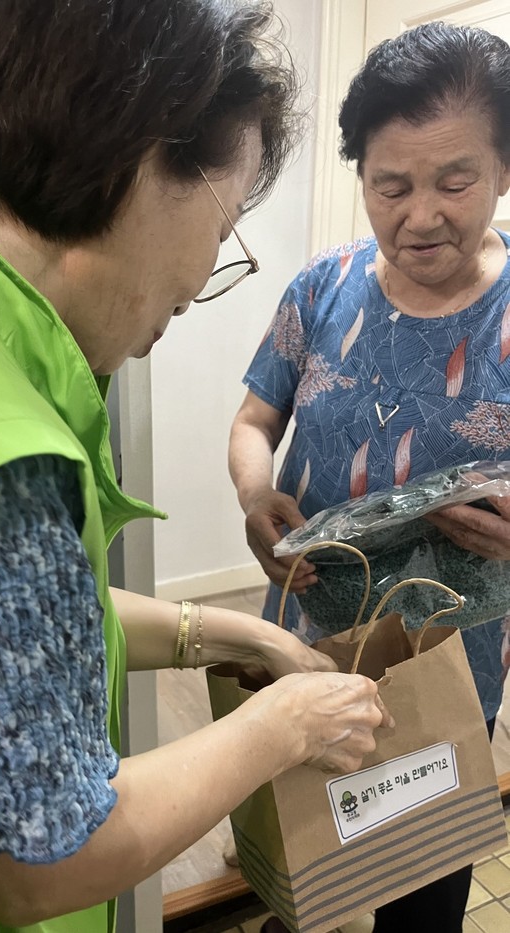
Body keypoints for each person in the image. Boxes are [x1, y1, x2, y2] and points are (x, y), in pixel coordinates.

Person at [0, 2, 393, 932]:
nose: (203, 278)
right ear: (136, 161)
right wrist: (287, 725)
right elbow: (39, 863)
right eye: (225, 225)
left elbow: (0, 623)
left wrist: (235, 636)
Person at [230, 20, 510, 933]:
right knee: (304, 861)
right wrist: (253, 494)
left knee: (422, 886)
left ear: (504, 170)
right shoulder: (323, 287)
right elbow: (253, 420)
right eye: (391, 185)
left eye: (454, 182)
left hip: (450, 664)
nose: (419, 215)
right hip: (308, 637)